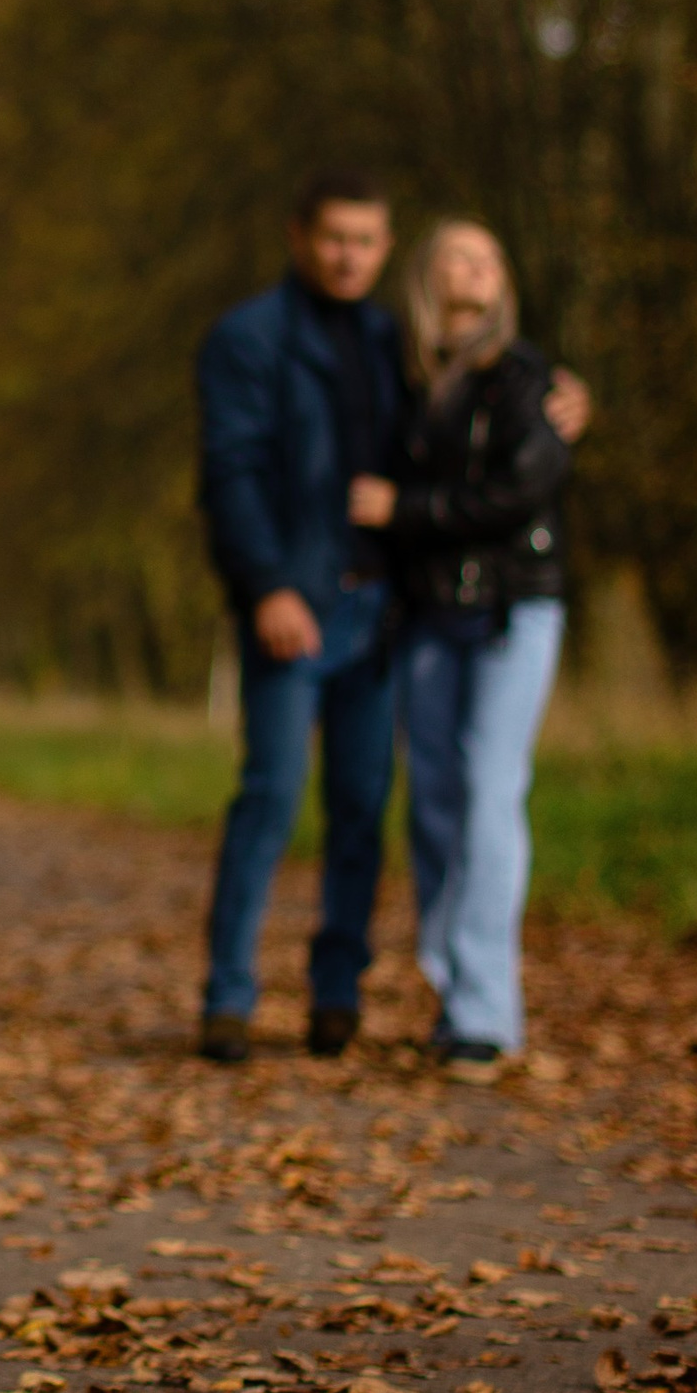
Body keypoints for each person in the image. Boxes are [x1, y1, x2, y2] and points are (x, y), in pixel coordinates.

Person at [345, 220, 569, 1076]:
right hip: (430, 614)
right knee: (434, 803)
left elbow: (522, 489)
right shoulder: (407, 384)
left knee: (489, 791)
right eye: (457, 257)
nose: (474, 270)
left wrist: (403, 511)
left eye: (487, 258)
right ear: (426, 278)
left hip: (515, 607)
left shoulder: (527, 377)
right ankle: (451, 989)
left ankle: (484, 1011)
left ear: (503, 281)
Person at [194, 169, 408, 1064]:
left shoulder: (395, 340)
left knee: (361, 806)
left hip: (381, 610)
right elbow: (230, 474)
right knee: (272, 794)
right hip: (293, 605)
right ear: (299, 237)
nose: (348, 256)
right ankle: (229, 997)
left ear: (385, 247)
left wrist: (563, 398)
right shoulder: (248, 338)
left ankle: (336, 994)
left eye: (365, 241)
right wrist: (268, 587)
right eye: (334, 239)